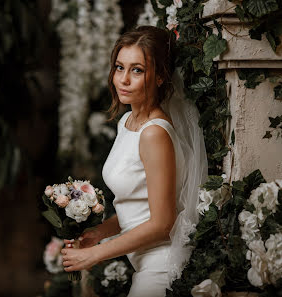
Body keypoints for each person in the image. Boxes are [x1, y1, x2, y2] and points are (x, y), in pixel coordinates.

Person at [61, 26, 208, 297]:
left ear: (161, 76)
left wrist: (95, 255)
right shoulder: (127, 122)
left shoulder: (154, 133)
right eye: (119, 67)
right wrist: (100, 232)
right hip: (142, 263)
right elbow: (138, 207)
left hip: (160, 267)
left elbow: (163, 223)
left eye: (137, 70)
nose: (124, 80)